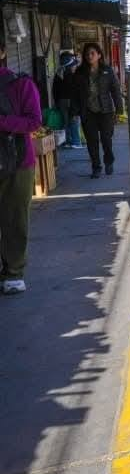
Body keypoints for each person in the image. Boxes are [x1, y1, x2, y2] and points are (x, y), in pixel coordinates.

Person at [0, 40, 42, 295]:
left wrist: (2, 122)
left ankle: (13, 272)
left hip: (17, 163)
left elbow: (34, 121)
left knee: (15, 219)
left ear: (3, 52)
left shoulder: (21, 84)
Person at [72, 42, 123, 178]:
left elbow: (115, 91)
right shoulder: (79, 72)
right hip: (88, 112)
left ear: (99, 55)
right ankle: (96, 167)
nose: (89, 56)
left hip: (105, 111)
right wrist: (74, 112)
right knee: (92, 141)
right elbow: (75, 94)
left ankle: (109, 161)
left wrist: (119, 110)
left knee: (106, 139)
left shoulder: (107, 70)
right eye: (87, 54)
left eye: (92, 53)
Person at [53, 52, 82, 148]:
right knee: (74, 120)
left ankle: (67, 141)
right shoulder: (71, 72)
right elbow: (75, 89)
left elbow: (54, 89)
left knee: (65, 121)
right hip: (71, 100)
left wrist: (57, 102)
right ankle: (76, 142)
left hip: (61, 101)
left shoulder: (59, 72)